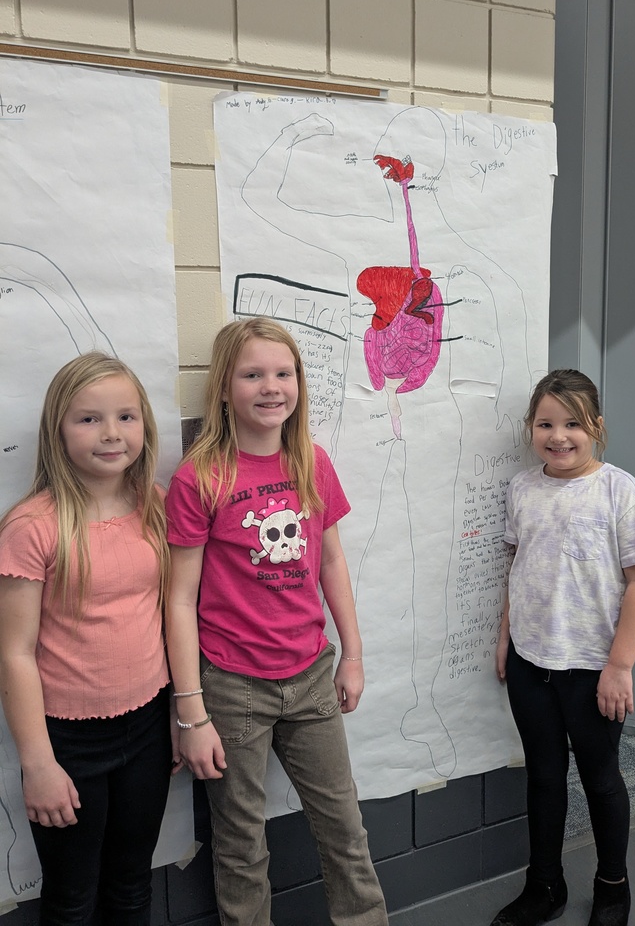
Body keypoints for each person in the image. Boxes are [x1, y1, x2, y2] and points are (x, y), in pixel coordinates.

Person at [164, 316, 388, 926]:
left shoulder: (310, 461)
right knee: (240, 846)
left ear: (299, 383)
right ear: (224, 387)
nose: (271, 387)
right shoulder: (199, 478)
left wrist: (354, 654)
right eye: (253, 374)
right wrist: (192, 712)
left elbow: (332, 561)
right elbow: (178, 600)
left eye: (283, 373)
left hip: (312, 674)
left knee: (345, 829)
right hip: (232, 687)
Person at [0, 352, 174, 925]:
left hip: (147, 726)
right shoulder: (33, 526)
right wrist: (38, 764)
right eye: (88, 419)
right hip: (68, 743)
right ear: (58, 430)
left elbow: (166, 611)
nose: (110, 434)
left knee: (131, 884)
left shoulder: (154, 504)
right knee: (73, 897)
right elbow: (15, 653)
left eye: (126, 417)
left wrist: (178, 715)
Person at [490, 370, 635, 926]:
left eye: (572, 424)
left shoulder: (621, 491)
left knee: (600, 777)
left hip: (593, 669)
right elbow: (517, 568)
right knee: (542, 776)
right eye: (545, 423)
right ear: (530, 429)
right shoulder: (522, 489)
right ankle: (544, 885)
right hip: (530, 662)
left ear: (597, 428)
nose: (558, 436)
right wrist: (504, 639)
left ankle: (613, 887)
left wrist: (620, 666)